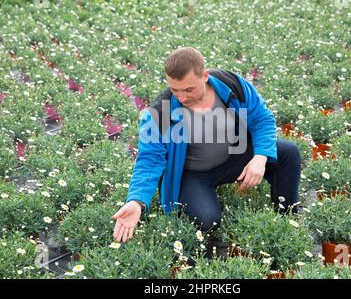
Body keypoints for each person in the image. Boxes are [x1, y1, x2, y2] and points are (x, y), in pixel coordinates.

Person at [112, 47, 301, 244]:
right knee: (207, 221)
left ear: (205, 76)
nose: (182, 97)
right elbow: (150, 160)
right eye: (175, 90)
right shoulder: (160, 113)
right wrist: (137, 201)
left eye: (188, 89)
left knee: (288, 152)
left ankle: (287, 218)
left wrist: (260, 158)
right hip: (195, 174)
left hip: (234, 157)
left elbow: (262, 118)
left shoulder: (231, 84)